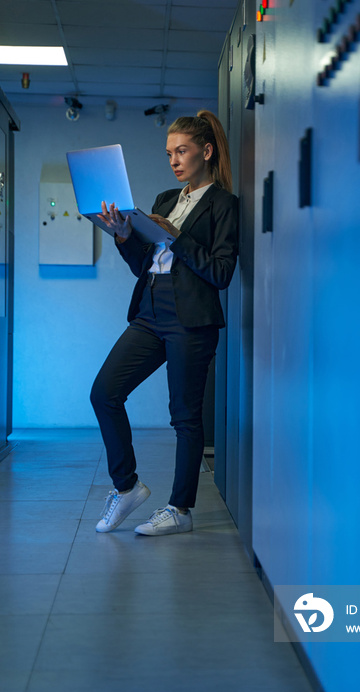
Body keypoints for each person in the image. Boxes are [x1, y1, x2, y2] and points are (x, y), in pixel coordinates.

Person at [90, 110, 238, 536]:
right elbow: (144, 265)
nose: (174, 161)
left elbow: (222, 272)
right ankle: (127, 486)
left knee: (185, 417)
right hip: (150, 311)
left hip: (191, 318)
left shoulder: (224, 205)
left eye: (182, 151)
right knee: (104, 393)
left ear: (205, 152)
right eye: (169, 153)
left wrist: (176, 235)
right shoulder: (163, 200)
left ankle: (180, 510)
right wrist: (123, 235)